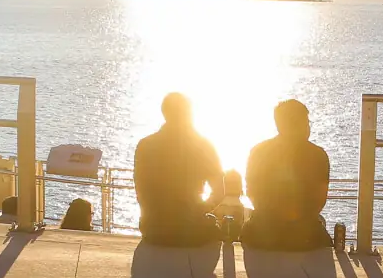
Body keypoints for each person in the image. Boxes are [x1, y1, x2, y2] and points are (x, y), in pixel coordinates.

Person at [132, 92, 222, 245]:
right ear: (188, 114)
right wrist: (202, 209)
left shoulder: (145, 145)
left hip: (154, 228)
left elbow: (140, 189)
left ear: (164, 113)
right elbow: (220, 189)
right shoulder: (204, 146)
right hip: (192, 226)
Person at [241, 100, 331, 250]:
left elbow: (252, 193)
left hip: (262, 232)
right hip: (304, 234)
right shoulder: (318, 155)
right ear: (302, 124)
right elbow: (319, 200)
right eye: (307, 122)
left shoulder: (258, 151)